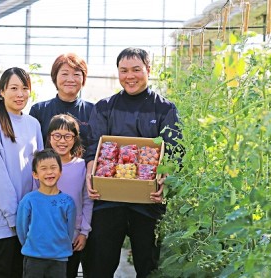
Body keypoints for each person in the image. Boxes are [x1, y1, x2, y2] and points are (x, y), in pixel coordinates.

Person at [84, 47, 183, 277]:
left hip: (148, 200)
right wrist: (91, 172)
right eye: (124, 70)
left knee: (147, 263)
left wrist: (164, 179)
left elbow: (175, 151)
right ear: (118, 72)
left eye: (136, 69)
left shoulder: (165, 108)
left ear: (148, 70)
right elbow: (93, 148)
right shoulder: (105, 107)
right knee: (100, 263)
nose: (130, 76)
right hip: (108, 199)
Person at [0, 67, 44, 278]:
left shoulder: (33, 124)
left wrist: (33, 213)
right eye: (14, 88)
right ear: (2, 91)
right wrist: (14, 215)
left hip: (26, 220)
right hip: (2, 220)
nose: (20, 94)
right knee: (1, 272)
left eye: (25, 88)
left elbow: (39, 170)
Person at [45, 114, 93, 278]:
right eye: (57, 135)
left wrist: (84, 232)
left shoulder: (81, 166)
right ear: (49, 137)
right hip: (45, 235)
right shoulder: (42, 165)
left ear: (75, 139)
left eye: (68, 136)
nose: (62, 141)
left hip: (72, 237)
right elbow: (33, 196)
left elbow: (87, 200)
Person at [16, 149, 76, 278]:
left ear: (60, 171)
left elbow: (69, 231)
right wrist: (32, 246)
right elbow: (21, 229)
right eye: (43, 168)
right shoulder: (29, 200)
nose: (49, 172)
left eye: (53, 167)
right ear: (35, 174)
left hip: (59, 259)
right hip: (34, 258)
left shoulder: (68, 201)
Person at [29, 53, 94, 150]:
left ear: (83, 78)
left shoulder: (93, 111)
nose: (70, 79)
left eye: (76, 74)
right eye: (64, 74)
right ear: (55, 77)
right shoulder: (39, 110)